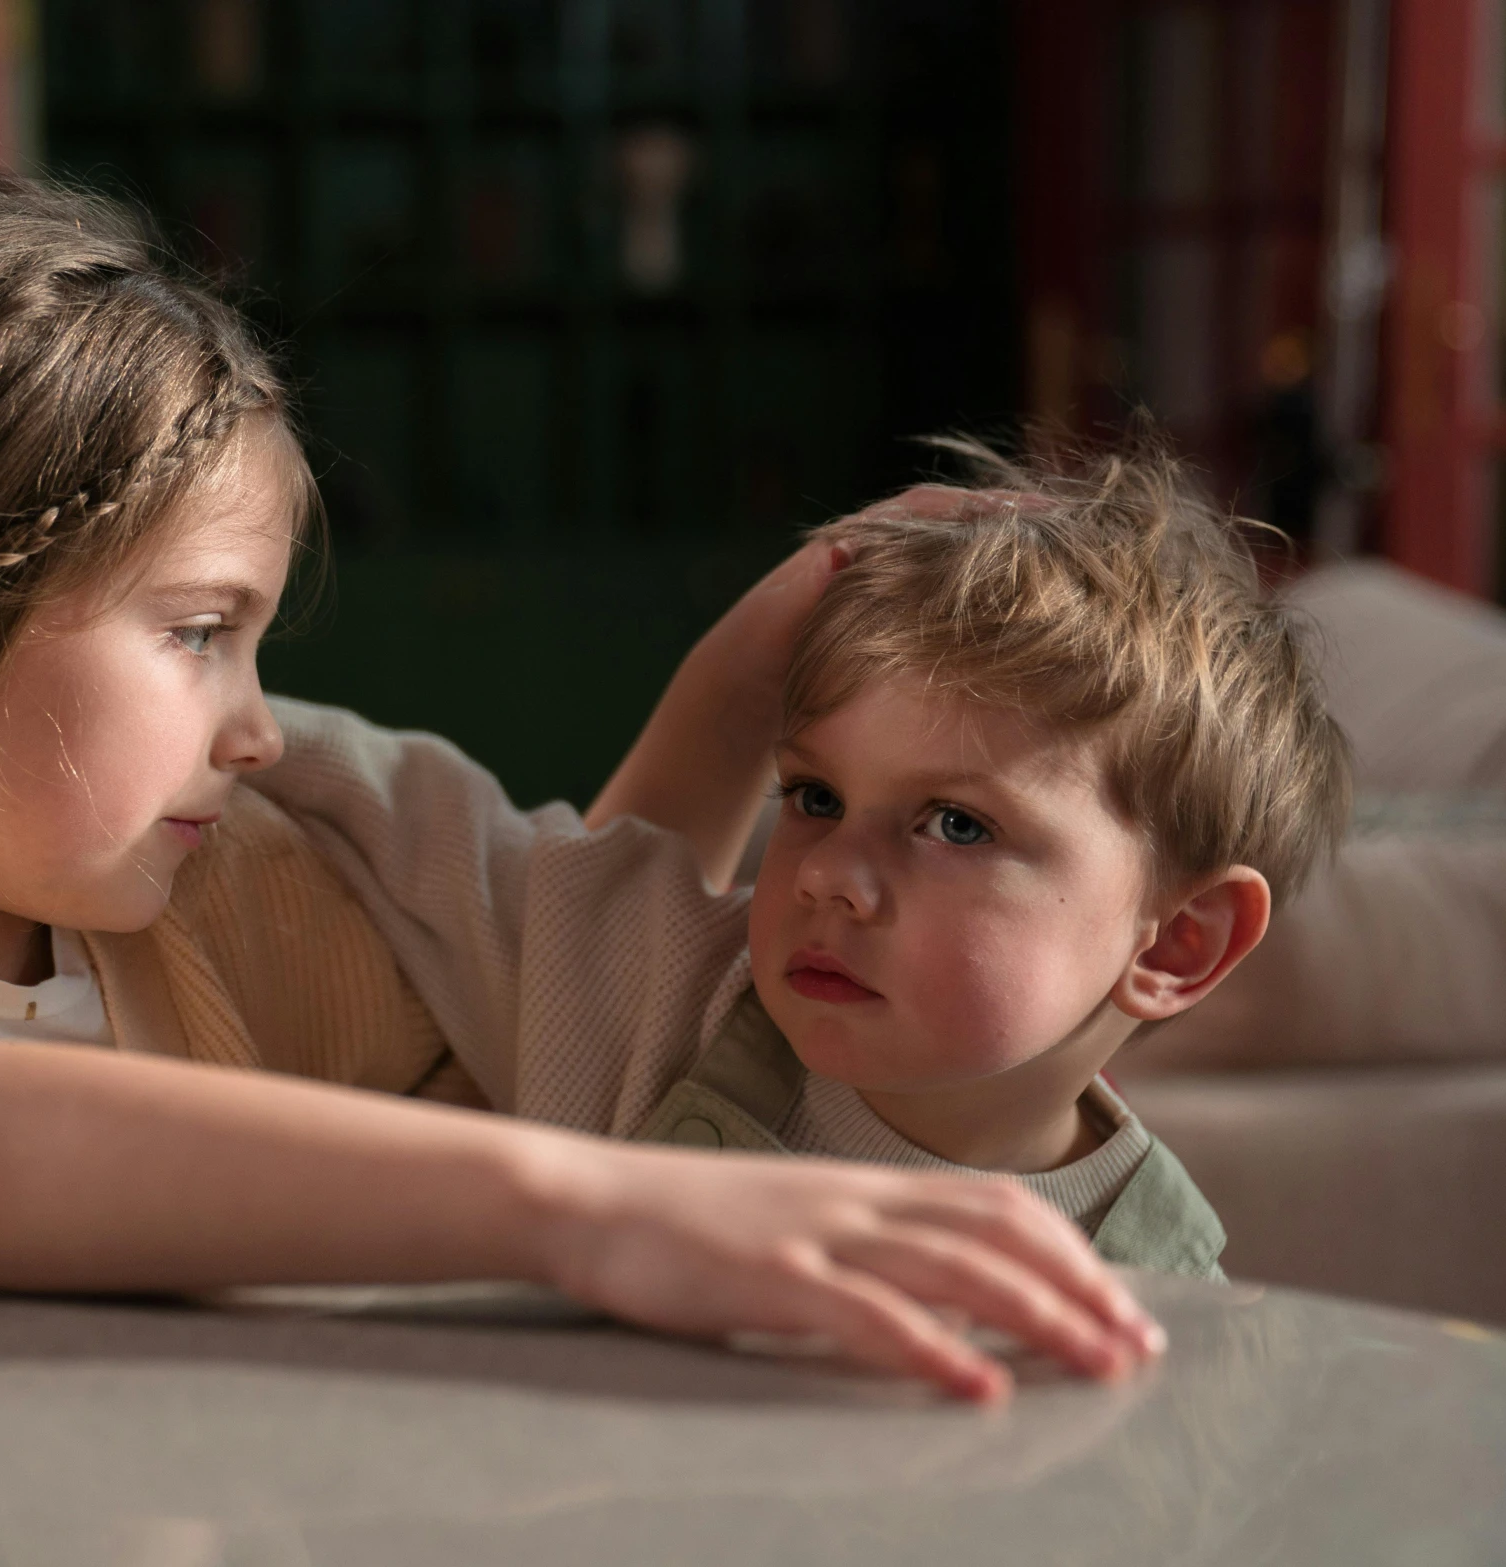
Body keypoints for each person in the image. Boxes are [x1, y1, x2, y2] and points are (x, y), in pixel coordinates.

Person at [0, 171, 1159, 1404]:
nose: (256, 726)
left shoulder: (241, 912)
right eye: (198, 632)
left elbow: (564, 967)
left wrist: (749, 674)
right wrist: (607, 1212)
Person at [252, 444, 1353, 1282]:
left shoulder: (1164, 1286)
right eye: (815, 798)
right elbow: (397, 805)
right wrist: (201, 710)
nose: (827, 872)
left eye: (954, 826)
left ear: (1175, 940)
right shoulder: (665, 991)